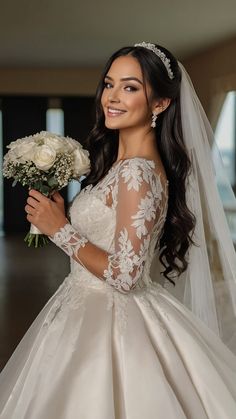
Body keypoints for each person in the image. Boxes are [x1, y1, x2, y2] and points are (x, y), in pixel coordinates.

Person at [0, 42, 236, 419]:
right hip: (81, 304)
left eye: (130, 87)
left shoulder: (136, 172)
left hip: (109, 322)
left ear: (160, 104)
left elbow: (127, 274)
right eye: (109, 84)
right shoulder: (121, 165)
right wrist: (63, 220)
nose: (112, 97)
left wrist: (60, 229)